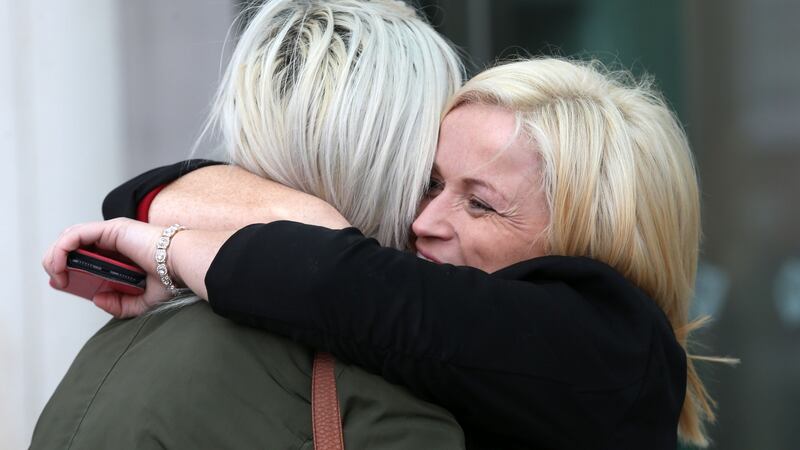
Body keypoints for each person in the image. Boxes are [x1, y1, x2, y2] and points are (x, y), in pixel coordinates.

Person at [45, 58, 732, 449]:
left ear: (589, 237)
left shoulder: (616, 350)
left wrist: (172, 254)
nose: (423, 221)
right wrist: (312, 236)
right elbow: (143, 195)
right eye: (431, 183)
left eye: (480, 203)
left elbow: (351, 290)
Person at [31, 0, 468, 449]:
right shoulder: (388, 384)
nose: (440, 210)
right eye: (433, 179)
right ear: (397, 162)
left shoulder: (114, 349)